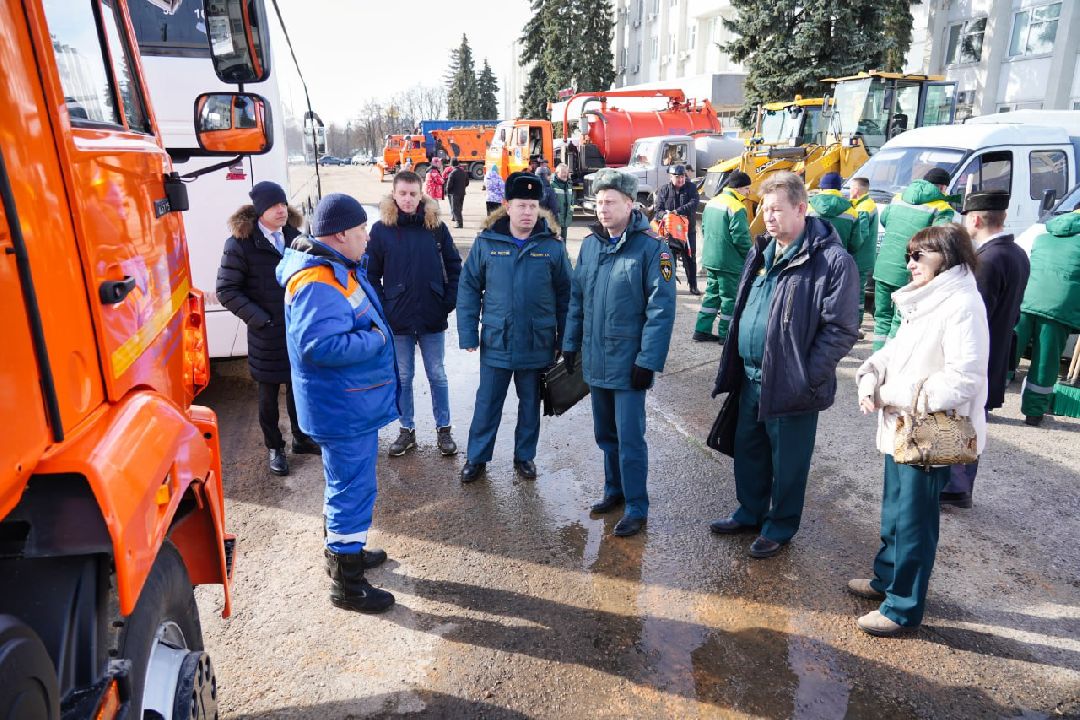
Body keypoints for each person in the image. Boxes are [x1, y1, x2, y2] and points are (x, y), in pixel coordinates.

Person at [708, 171, 859, 558]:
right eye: (764, 209)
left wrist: (806, 375)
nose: (769, 217)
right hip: (752, 377)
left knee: (788, 462)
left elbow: (841, 329)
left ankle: (780, 525)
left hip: (792, 382)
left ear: (801, 209)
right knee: (750, 449)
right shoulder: (762, 251)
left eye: (777, 209)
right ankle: (750, 511)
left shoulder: (832, 262)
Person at [852, 224, 989, 636]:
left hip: (929, 432)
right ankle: (886, 581)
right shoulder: (930, 298)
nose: (910, 263)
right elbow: (898, 348)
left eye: (919, 256)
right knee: (895, 513)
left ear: (946, 257)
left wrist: (890, 393)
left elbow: (965, 378)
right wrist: (870, 372)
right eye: (910, 255)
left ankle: (903, 608)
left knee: (914, 523)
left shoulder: (962, 303)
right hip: (903, 426)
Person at [277, 193, 398, 613]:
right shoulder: (317, 280)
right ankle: (348, 585)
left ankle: (346, 549)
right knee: (352, 487)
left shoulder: (335, 267)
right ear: (342, 234)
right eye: (362, 230)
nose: (368, 236)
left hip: (347, 402)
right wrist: (377, 338)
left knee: (345, 483)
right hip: (344, 407)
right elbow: (319, 344)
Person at [562, 169, 676, 537]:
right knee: (605, 434)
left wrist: (648, 361)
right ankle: (614, 491)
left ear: (630, 204)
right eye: (598, 202)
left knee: (630, 439)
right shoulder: (592, 244)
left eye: (610, 201)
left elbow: (661, 312)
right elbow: (577, 299)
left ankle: (637, 505)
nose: (603, 209)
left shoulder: (652, 248)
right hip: (596, 361)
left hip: (629, 366)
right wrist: (569, 343)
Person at [456, 173, 572, 483]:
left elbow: (566, 295)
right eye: (521, 206)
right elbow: (468, 287)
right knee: (487, 403)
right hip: (498, 339)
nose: (527, 213)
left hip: (538, 341)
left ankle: (525, 456)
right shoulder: (487, 242)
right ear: (507, 206)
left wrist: (567, 338)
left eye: (533, 206)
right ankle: (477, 457)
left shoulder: (552, 246)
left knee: (531, 404)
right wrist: (467, 332)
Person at [216, 181, 321, 477]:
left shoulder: (295, 238)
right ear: (260, 210)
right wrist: (261, 319)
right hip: (266, 333)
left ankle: (301, 438)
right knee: (268, 395)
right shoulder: (240, 244)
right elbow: (227, 290)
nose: (281, 210)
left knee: (297, 388)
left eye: (283, 204)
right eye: (274, 205)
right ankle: (275, 447)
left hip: (296, 330)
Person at [941, 191, 1029, 508]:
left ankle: (955, 486)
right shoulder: (1017, 254)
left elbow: (973, 316)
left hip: (979, 353)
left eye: (967, 217)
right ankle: (960, 485)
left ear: (976, 219)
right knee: (974, 417)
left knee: (963, 414)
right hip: (997, 350)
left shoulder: (987, 260)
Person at [367, 170, 463, 458]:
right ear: (394, 195)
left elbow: (454, 266)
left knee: (437, 374)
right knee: (403, 376)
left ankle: (443, 429)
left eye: (413, 193)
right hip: (398, 318)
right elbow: (371, 275)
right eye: (403, 193)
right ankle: (406, 430)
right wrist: (385, 306)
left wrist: (447, 300)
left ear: (421, 194)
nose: (408, 199)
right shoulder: (382, 230)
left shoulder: (435, 227)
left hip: (432, 314)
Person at [872, 167, 955, 349]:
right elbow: (939, 241)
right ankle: (889, 364)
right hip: (910, 272)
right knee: (900, 321)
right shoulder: (942, 208)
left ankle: (876, 359)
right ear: (942, 187)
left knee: (882, 319)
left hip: (883, 267)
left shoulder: (897, 198)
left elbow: (885, 220)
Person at [1013, 207, 1080, 427]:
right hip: (1058, 310)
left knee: (1008, 353)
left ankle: (985, 402)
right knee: (1046, 362)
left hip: (1027, 300)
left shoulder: (1042, 237)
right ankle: (1033, 413)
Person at [695, 171, 752, 343]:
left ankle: (701, 330)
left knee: (711, 295)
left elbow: (704, 229)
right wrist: (751, 255)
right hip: (729, 262)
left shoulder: (712, 202)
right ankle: (725, 334)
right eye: (747, 188)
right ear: (739, 188)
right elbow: (741, 238)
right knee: (729, 297)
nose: (749, 192)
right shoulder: (737, 207)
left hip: (711, 259)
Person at [654, 164, 701, 294]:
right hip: (670, 233)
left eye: (682, 176)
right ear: (671, 177)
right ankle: (670, 286)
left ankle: (693, 285)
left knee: (690, 258)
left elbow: (694, 203)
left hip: (687, 231)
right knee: (669, 259)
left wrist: (677, 211)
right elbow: (657, 210)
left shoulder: (691, 188)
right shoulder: (663, 190)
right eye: (677, 177)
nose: (680, 179)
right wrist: (666, 215)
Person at [809, 172, 863, 258]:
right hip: (839, 260)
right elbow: (855, 245)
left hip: (812, 260)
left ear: (821, 188)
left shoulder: (808, 207)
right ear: (839, 188)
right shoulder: (852, 211)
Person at [849, 177, 879, 329]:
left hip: (860, 257)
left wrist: (847, 247)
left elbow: (860, 235)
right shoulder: (868, 204)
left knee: (858, 291)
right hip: (866, 256)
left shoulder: (863, 208)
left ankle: (856, 323)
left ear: (856, 190)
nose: (849, 192)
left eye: (850, 188)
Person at [551, 163, 574, 241]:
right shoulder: (552, 185)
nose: (565, 174)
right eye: (563, 172)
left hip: (565, 220)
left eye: (566, 172)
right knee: (555, 244)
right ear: (557, 173)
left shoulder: (569, 185)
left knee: (563, 243)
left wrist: (570, 212)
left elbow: (571, 202)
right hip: (555, 221)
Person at [446, 158, 469, 228]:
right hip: (462, 193)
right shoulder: (464, 172)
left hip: (454, 193)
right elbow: (467, 183)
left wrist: (447, 191)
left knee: (455, 209)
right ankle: (459, 222)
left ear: (451, 164)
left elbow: (449, 185)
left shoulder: (452, 173)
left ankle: (459, 224)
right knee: (459, 208)